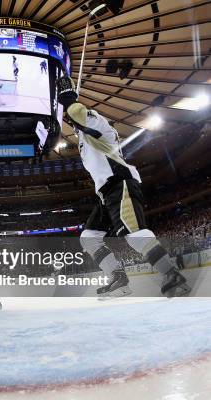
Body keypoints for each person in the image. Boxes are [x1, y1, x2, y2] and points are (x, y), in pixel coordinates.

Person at [56, 76, 190, 298]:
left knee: (134, 234)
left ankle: (172, 274)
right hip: (105, 192)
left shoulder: (99, 123)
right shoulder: (83, 136)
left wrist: (69, 98)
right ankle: (118, 278)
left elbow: (79, 113)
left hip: (119, 183)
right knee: (89, 237)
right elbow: (77, 119)